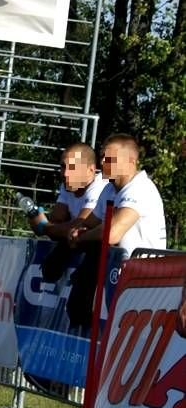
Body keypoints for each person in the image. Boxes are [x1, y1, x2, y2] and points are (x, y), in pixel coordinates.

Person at [66, 133, 167, 328]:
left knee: (124, 336)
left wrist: (81, 237)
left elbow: (112, 233)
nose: (103, 161)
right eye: (103, 156)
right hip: (118, 275)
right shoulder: (109, 189)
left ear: (131, 161)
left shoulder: (140, 189)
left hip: (142, 282)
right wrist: (76, 230)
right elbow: (92, 221)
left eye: (109, 158)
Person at [23, 142, 107, 284]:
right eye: (63, 167)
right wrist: (50, 227)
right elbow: (57, 220)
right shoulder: (68, 184)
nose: (65, 173)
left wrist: (44, 226)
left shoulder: (100, 188)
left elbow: (78, 226)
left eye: (72, 168)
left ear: (90, 170)